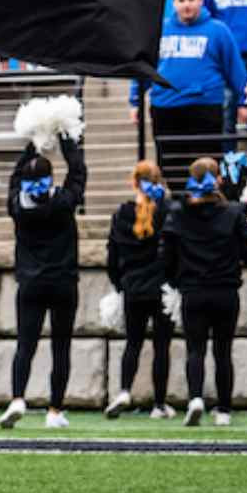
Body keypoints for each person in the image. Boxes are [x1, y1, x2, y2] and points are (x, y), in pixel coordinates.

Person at [160, 157, 247, 428]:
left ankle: (196, 399)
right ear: (219, 180)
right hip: (225, 291)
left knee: (195, 349)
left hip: (193, 292)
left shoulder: (178, 212)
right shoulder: (233, 212)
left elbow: (166, 255)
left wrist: (173, 281)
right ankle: (224, 409)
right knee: (223, 352)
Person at [0, 134, 88, 429]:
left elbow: (15, 176)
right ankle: (54, 410)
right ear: (51, 178)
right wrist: (65, 139)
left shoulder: (16, 205)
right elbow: (78, 172)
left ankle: (17, 398)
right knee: (60, 347)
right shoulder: (63, 200)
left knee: (25, 344)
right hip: (63, 281)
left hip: (30, 283)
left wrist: (34, 141)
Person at [135, 0, 247, 168]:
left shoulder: (218, 30)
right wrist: (135, 101)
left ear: (201, 0)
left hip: (204, 106)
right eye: (181, 0)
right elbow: (144, 67)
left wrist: (245, 101)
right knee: (170, 166)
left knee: (206, 165)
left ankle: (204, 197)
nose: (186, 4)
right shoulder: (158, 30)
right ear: (173, 3)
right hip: (165, 107)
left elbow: (235, 69)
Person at [104, 162, 175, 419]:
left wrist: (118, 284)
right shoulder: (167, 211)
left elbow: (112, 254)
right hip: (161, 288)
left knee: (132, 343)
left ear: (134, 183)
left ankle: (124, 390)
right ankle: (159, 404)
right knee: (161, 347)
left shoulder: (122, 213)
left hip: (132, 287)